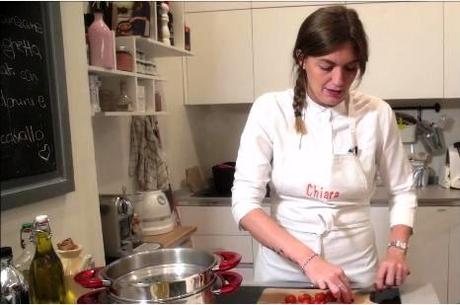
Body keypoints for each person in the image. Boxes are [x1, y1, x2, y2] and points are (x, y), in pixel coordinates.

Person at [231, 5, 417, 303]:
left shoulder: (377, 113)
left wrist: (397, 249)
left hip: (355, 275)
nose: (339, 81)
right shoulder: (270, 110)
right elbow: (245, 204)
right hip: (284, 273)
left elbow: (403, 190)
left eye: (351, 68)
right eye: (327, 66)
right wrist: (309, 261)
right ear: (302, 58)